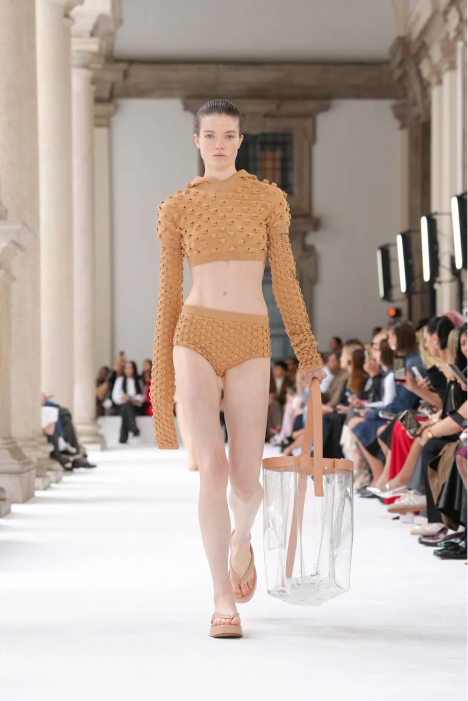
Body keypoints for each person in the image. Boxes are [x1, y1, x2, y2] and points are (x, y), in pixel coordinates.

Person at [149, 99, 326, 639]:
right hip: (194, 334)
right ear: (196, 141)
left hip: (251, 336)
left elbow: (286, 280)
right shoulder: (177, 207)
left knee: (248, 480)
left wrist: (308, 353)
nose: (220, 143)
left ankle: (241, 539)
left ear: (240, 140)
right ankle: (222, 597)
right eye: (210, 134)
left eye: (229, 134)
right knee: (214, 468)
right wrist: (162, 379)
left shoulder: (269, 199)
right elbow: (169, 295)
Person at [112, 360, 144, 444]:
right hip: (122, 405)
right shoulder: (120, 380)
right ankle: (134, 429)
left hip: (134, 406)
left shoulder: (138, 381)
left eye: (129, 368)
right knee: (126, 406)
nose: (127, 370)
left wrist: (132, 399)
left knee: (128, 407)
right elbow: (115, 396)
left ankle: (123, 437)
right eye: (126, 368)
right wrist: (122, 399)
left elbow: (141, 396)